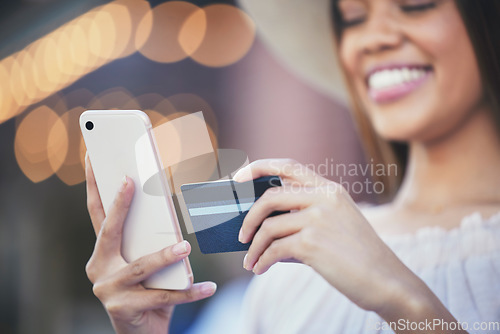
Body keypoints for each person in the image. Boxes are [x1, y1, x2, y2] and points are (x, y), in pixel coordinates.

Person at [84, 0, 500, 333]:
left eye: (415, 5)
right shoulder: (293, 271)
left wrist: (402, 298)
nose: (372, 38)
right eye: (353, 18)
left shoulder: (335, 253)